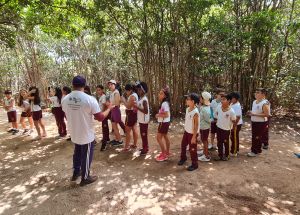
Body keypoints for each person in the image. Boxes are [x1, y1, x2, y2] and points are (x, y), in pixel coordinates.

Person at [62, 75, 112, 186]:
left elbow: (66, 114)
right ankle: (85, 177)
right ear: (84, 86)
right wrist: (109, 108)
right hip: (86, 133)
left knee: (77, 152)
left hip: (74, 132)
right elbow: (100, 117)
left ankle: (76, 172)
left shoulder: (65, 99)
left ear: (73, 85)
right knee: (86, 155)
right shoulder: (89, 99)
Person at [178, 93, 200, 171]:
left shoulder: (196, 113)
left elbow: (196, 126)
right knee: (183, 145)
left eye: (188, 99)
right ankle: (183, 158)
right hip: (186, 132)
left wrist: (194, 137)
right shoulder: (187, 109)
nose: (186, 100)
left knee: (192, 149)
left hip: (192, 134)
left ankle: (195, 164)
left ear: (193, 101)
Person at [247, 88, 270, 157]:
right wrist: (251, 112)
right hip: (254, 122)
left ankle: (255, 151)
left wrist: (254, 114)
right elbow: (256, 110)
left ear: (263, 94)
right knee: (255, 136)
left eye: (258, 92)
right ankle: (257, 150)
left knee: (257, 137)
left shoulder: (265, 103)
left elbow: (267, 114)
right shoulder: (254, 101)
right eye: (255, 92)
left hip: (261, 123)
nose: (255, 94)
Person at [214, 94, 236, 161]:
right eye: (221, 99)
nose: (222, 101)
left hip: (226, 130)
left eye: (224, 99)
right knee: (219, 142)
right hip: (219, 128)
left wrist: (232, 128)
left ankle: (227, 155)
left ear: (229, 101)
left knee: (226, 142)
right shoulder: (219, 107)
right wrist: (218, 120)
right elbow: (215, 114)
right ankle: (220, 155)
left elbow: (234, 120)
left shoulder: (231, 111)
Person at [155, 87, 171, 162]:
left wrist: (158, 115)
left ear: (165, 96)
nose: (159, 94)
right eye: (159, 93)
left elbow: (167, 114)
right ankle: (167, 152)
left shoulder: (164, 103)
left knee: (158, 138)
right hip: (165, 122)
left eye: (161, 93)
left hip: (163, 123)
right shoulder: (164, 103)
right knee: (165, 136)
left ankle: (164, 154)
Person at [121, 84, 139, 151]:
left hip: (130, 114)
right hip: (133, 113)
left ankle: (126, 146)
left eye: (126, 91)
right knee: (134, 128)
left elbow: (128, 106)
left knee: (127, 130)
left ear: (130, 90)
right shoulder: (135, 94)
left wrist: (123, 100)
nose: (126, 92)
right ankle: (134, 144)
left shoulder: (132, 96)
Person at [134, 81, 150, 155]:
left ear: (143, 90)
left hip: (144, 120)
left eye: (139, 90)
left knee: (144, 134)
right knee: (143, 134)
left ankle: (145, 148)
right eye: (138, 90)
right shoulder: (141, 98)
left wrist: (137, 107)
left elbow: (146, 111)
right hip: (141, 120)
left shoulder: (144, 100)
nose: (138, 91)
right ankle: (145, 147)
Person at [108, 80, 124, 146]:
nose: (110, 86)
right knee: (114, 126)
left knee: (115, 126)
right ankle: (117, 139)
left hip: (115, 110)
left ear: (115, 85)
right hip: (113, 110)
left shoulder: (116, 92)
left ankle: (120, 140)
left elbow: (117, 103)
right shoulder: (112, 92)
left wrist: (110, 105)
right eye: (109, 85)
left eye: (111, 84)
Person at [198, 91, 212, 162]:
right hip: (203, 127)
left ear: (204, 99)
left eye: (201, 97)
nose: (199, 98)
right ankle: (204, 152)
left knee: (204, 141)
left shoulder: (204, 109)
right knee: (204, 140)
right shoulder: (205, 107)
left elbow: (209, 119)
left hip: (204, 128)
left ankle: (206, 156)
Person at [96, 85, 110, 151]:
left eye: (99, 90)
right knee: (105, 127)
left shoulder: (103, 96)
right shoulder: (101, 97)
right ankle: (107, 139)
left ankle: (104, 144)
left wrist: (102, 114)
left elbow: (105, 105)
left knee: (104, 128)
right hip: (102, 114)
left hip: (103, 114)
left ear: (102, 90)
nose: (98, 91)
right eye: (97, 90)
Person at [230, 92, 243, 156]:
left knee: (234, 137)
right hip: (233, 124)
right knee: (232, 137)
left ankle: (235, 151)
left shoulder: (237, 106)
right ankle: (233, 149)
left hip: (236, 124)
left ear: (235, 99)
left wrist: (234, 125)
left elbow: (238, 117)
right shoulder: (232, 104)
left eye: (232, 98)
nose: (231, 99)